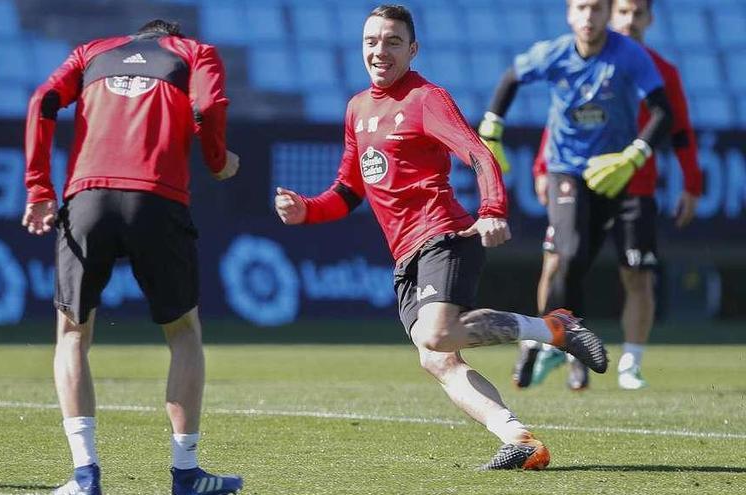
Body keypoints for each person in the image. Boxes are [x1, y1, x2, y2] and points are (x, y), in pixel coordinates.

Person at [274, 4, 608, 471]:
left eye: (392, 41)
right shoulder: (357, 109)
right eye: (372, 41)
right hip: (404, 255)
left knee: (437, 333)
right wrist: (305, 209)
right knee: (436, 359)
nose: (380, 50)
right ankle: (519, 439)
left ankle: (554, 328)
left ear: (413, 50)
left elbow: (478, 153)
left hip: (443, 234)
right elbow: (349, 191)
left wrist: (492, 209)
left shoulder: (426, 98)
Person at [22, 19, 243, 495]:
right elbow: (207, 106)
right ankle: (185, 473)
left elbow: (43, 101)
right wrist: (217, 159)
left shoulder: (90, 51)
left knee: (72, 334)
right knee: (184, 333)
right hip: (158, 201)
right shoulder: (195, 51)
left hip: (88, 199)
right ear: (172, 36)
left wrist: (39, 187)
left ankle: (85, 476)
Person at [476, 0, 672, 391]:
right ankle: (559, 339)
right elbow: (511, 78)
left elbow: (663, 111)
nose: (588, 17)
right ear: (569, 14)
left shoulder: (629, 55)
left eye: (597, 9)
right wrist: (492, 127)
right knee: (568, 254)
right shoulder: (555, 53)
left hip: (611, 173)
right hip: (565, 168)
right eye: (581, 8)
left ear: (607, 14)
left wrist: (634, 156)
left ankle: (554, 340)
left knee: (579, 262)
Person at [515, 0, 701, 391]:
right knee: (558, 261)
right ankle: (558, 346)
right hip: (580, 179)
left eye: (638, 14)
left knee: (637, 274)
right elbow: (563, 116)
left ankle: (630, 364)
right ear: (607, 16)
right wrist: (541, 167)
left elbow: (678, 126)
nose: (629, 21)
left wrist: (691, 182)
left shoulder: (660, 70)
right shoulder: (588, 57)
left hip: (636, 187)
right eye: (623, 13)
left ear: (649, 19)